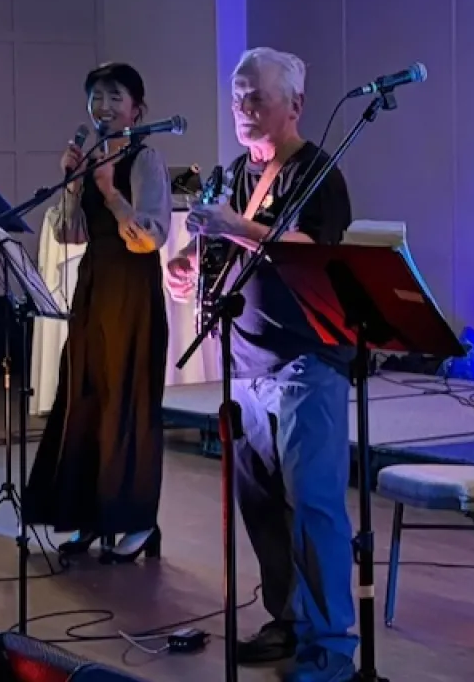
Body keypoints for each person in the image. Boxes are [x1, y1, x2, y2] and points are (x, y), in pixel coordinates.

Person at [166, 47, 356, 682]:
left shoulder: (317, 172)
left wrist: (236, 227)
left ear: (294, 104)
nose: (243, 108)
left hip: (305, 360)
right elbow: (214, 246)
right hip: (244, 361)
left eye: (257, 97)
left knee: (315, 507)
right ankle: (288, 618)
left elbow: (313, 251)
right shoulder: (231, 174)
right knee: (262, 504)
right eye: (237, 97)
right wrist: (187, 265)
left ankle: (332, 648)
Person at [23, 62, 172, 564]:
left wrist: (110, 193)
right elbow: (70, 235)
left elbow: (150, 238)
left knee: (127, 403)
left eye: (115, 97)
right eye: (97, 98)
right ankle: (90, 515)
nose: (104, 107)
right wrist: (72, 184)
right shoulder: (89, 158)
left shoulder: (145, 159)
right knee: (85, 398)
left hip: (132, 291)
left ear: (137, 110)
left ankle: (138, 521)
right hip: (94, 287)